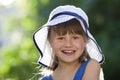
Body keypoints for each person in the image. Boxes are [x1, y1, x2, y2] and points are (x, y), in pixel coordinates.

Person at [33, 5, 105, 80]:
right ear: (49, 41)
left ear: (86, 40)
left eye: (75, 38)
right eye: (61, 38)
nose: (68, 44)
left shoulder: (91, 66)